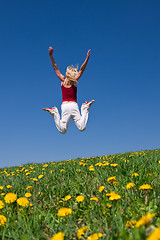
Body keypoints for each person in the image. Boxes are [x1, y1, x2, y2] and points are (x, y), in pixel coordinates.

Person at [43, 46, 95, 134]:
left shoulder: (64, 80)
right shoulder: (73, 80)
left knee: (65, 130)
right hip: (72, 106)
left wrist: (51, 56)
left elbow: (55, 67)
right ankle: (84, 107)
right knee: (79, 128)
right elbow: (81, 70)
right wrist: (87, 59)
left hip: (67, 106)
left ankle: (55, 112)